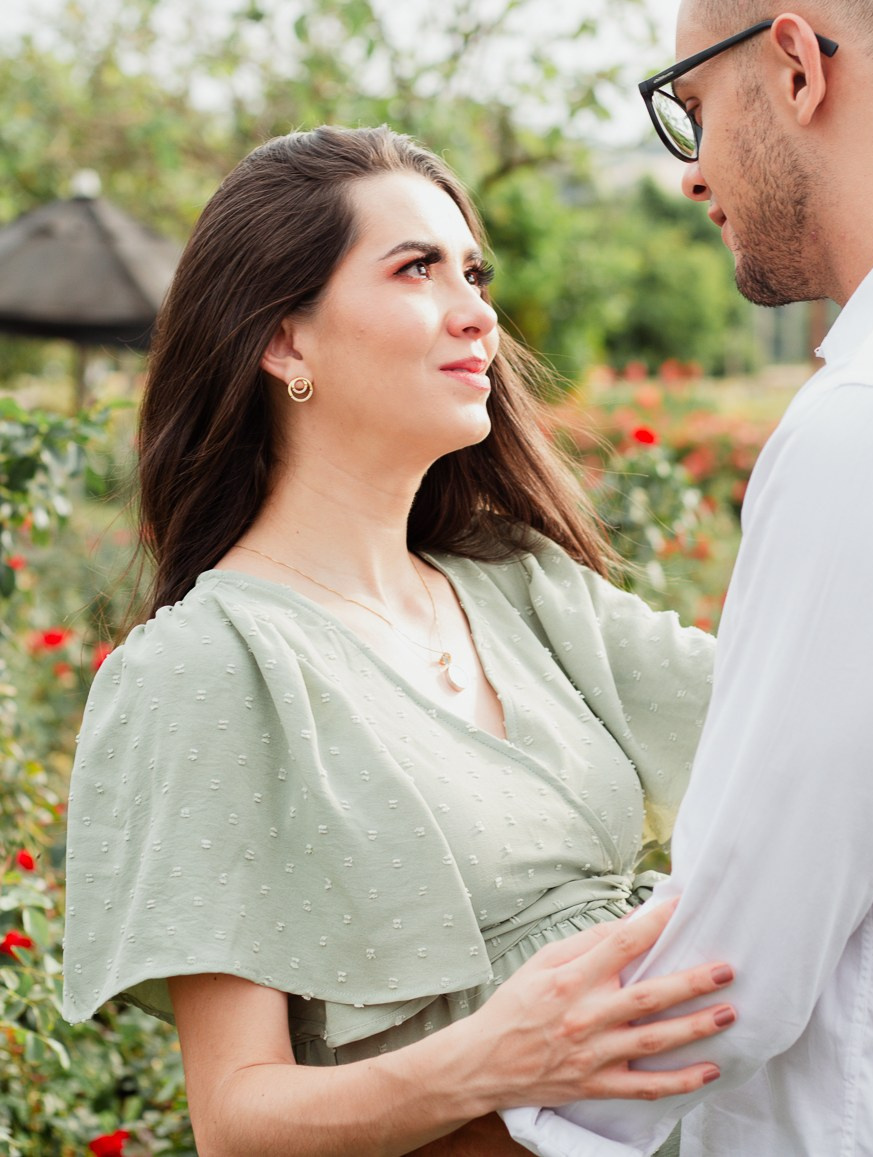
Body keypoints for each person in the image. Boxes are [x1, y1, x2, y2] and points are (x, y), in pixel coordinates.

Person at [62, 125, 737, 1156]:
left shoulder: (521, 587)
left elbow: (795, 721)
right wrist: (496, 1061)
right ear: (284, 341)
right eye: (417, 269)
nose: (478, 313)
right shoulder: (205, 669)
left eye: (474, 271)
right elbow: (238, 1119)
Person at [504, 0, 873, 1157]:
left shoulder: (870, 428)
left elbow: (726, 972)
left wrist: (429, 1113)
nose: (688, 172)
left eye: (692, 106)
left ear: (793, 65)